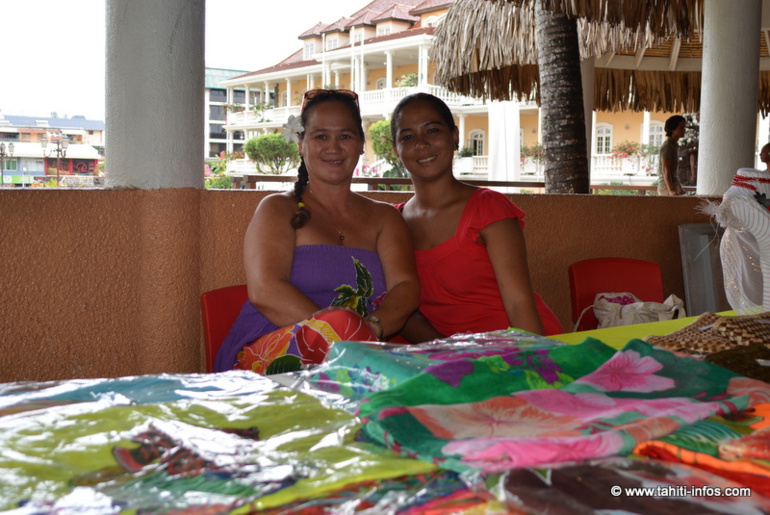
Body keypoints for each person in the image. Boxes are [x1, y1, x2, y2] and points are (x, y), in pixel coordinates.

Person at [214, 89, 420, 374]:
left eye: (345, 136)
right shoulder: (277, 208)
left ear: (361, 144)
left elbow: (405, 288)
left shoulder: (385, 217)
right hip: (273, 352)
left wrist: (368, 329)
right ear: (301, 143)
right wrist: (338, 331)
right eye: (321, 136)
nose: (333, 147)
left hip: (356, 355)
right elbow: (265, 291)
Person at [389, 93, 563, 342]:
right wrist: (449, 357)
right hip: (451, 360)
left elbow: (518, 304)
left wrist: (533, 368)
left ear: (454, 136)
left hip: (517, 349)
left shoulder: (487, 208)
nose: (421, 144)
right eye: (408, 137)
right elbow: (404, 314)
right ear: (397, 149)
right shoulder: (393, 223)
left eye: (432, 131)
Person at [658, 115, 687, 196]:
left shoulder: (674, 145)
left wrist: (679, 187)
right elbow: (665, 169)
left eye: (684, 127)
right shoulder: (668, 146)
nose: (684, 130)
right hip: (666, 187)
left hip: (672, 185)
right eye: (681, 128)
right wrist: (671, 190)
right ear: (673, 129)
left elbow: (673, 171)